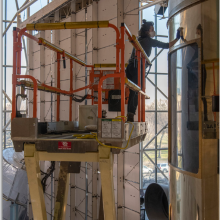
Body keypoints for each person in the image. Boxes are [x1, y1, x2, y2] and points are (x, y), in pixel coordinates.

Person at [126, 19, 181, 122]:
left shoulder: (138, 40)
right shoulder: (148, 41)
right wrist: (177, 38)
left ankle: (130, 114)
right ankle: (131, 115)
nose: (153, 31)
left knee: (133, 91)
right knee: (136, 91)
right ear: (147, 31)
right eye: (152, 29)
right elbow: (166, 45)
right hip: (137, 68)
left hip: (130, 68)